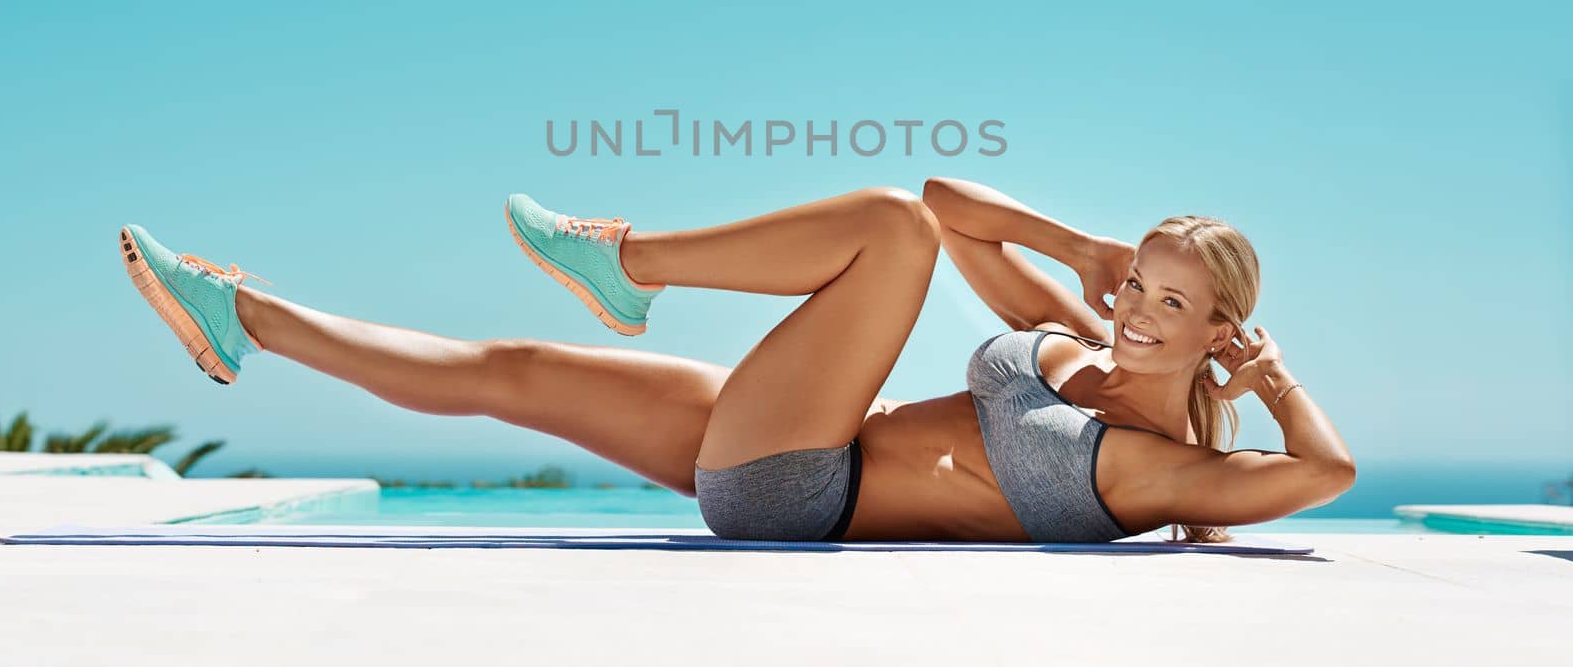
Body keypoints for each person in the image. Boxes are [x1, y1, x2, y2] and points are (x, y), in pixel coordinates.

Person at [117, 178, 1355, 543]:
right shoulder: (1078, 345)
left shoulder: (1151, 470)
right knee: (508, 369)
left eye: (1169, 301)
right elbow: (960, 203)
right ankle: (244, 316)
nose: (1136, 309)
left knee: (883, 233)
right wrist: (1074, 242)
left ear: (1218, 330)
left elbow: (1327, 474)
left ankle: (633, 263)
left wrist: (1276, 383)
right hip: (801, 432)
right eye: (1136, 283)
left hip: (803, 487)